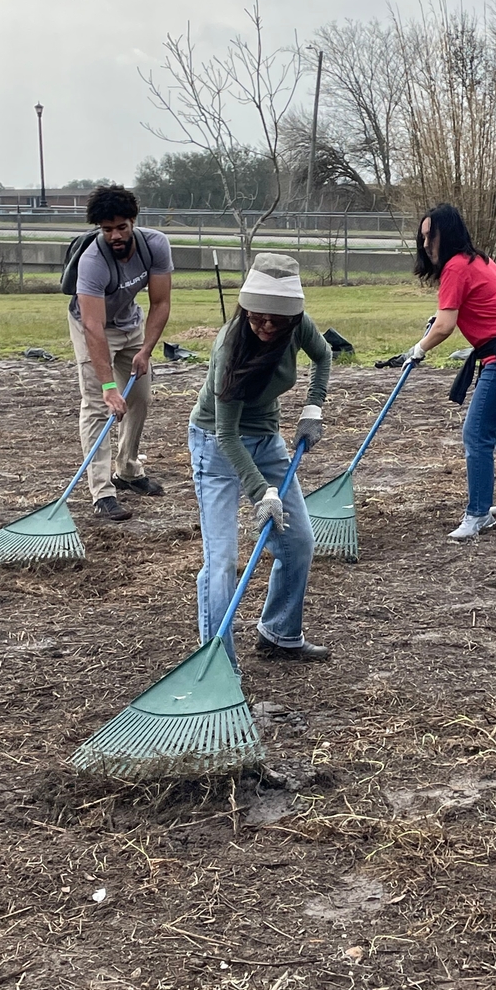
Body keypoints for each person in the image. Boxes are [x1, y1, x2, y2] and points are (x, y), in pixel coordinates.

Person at [188, 253, 332, 667]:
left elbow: (323, 357)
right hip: (217, 447)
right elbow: (226, 434)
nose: (266, 325)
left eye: (277, 319)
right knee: (223, 563)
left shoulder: (297, 324)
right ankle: (218, 665)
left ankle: (280, 633)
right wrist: (261, 492)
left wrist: (313, 409)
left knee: (299, 542)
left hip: (267, 441)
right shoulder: (230, 347)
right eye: (257, 317)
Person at [400, 203, 496, 540]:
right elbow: (467, 309)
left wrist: (418, 349)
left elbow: (446, 326)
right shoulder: (479, 258)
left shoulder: (455, 267)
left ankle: (478, 515)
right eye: (422, 238)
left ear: (445, 235)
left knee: (475, 433)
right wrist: (436, 321)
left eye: (429, 237)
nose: (425, 245)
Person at [67, 184, 173, 521]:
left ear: (133, 222)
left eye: (121, 227)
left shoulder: (155, 245)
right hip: (91, 326)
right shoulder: (92, 262)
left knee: (140, 397)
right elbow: (94, 327)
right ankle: (102, 493)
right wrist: (108, 387)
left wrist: (146, 350)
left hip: (130, 322)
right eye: (107, 229)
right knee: (98, 406)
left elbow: (161, 302)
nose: (114, 235)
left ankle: (127, 471)